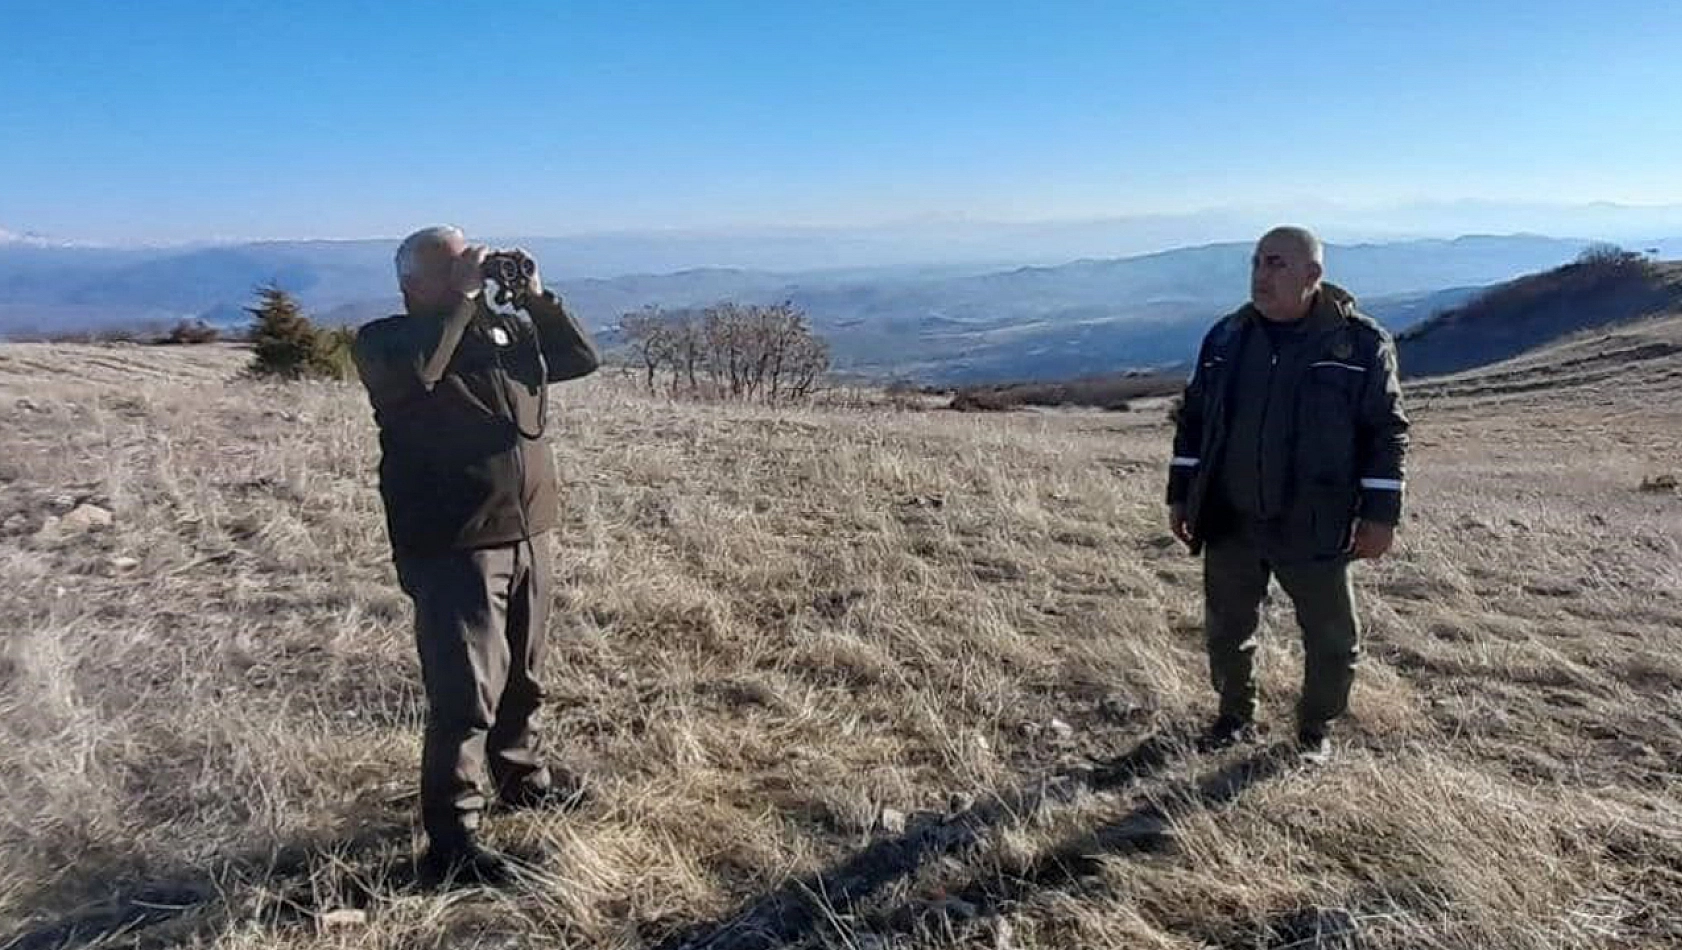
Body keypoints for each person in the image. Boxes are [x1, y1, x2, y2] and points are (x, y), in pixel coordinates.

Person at [352, 225, 601, 885]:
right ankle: (452, 842)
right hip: (454, 541)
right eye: (454, 262)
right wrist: (462, 302)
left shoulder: (497, 332)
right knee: (466, 694)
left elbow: (578, 360)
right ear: (414, 282)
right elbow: (417, 375)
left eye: (472, 257)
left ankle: (523, 780)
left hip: (527, 531)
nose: (471, 268)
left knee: (524, 674)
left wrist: (538, 300)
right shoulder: (388, 343)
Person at [1165, 226, 1409, 764]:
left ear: (1312, 276)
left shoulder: (1360, 344)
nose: (1261, 275)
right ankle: (1233, 717)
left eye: (1276, 264)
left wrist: (1381, 514)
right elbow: (1195, 421)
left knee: (1330, 639)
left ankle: (1313, 732)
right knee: (1227, 629)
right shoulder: (1227, 338)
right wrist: (1181, 495)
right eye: (1256, 263)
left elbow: (1385, 431)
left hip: (1314, 519)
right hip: (1231, 515)